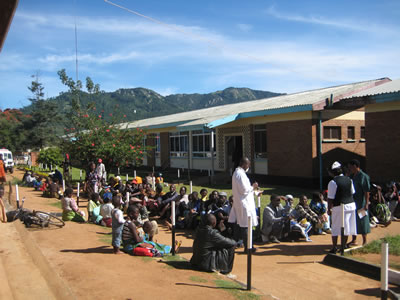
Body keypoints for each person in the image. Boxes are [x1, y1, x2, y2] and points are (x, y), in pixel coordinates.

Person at [229, 157, 258, 251]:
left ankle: (237, 243)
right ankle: (248, 247)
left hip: (241, 202)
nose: (248, 166)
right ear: (244, 164)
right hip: (244, 204)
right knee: (245, 224)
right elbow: (244, 190)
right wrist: (253, 187)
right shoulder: (240, 174)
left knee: (241, 224)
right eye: (248, 164)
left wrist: (254, 191)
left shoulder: (238, 173)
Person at [327, 161, 357, 254]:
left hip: (339, 207)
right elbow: (352, 192)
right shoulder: (349, 180)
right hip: (351, 206)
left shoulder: (333, 182)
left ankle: (335, 247)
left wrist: (329, 209)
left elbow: (330, 198)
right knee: (347, 226)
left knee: (335, 227)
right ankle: (343, 246)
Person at [347, 159, 371, 246]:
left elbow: (366, 191)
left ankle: (364, 241)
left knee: (362, 220)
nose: (349, 169)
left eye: (350, 167)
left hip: (361, 202)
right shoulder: (352, 176)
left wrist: (366, 203)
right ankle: (354, 239)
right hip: (353, 202)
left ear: (355, 166)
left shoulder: (363, 176)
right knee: (354, 221)